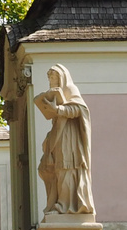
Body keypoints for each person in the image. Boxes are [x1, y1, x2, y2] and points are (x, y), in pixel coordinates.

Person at [34, 64, 94, 216]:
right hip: (59, 134)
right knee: (58, 170)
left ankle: (65, 206)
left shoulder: (70, 90)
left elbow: (79, 110)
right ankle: (60, 203)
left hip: (70, 136)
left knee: (67, 169)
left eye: (53, 76)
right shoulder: (56, 92)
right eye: (49, 77)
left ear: (61, 77)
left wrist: (58, 110)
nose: (50, 80)